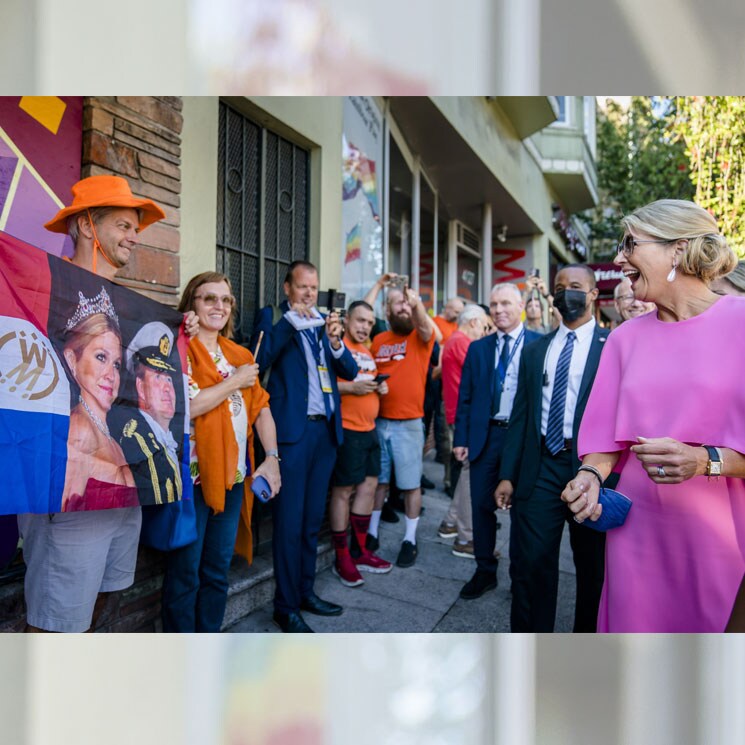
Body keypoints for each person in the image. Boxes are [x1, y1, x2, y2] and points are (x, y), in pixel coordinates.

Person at [562, 199, 745, 633]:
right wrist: (589, 476)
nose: (620, 258)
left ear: (678, 249)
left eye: (629, 244)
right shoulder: (624, 340)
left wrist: (704, 461)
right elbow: (605, 447)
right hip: (638, 536)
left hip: (721, 537)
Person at [17, 174, 190, 633]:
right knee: (57, 621)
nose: (135, 237)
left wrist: (179, 331)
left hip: (123, 488)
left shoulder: (130, 309)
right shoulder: (41, 291)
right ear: (89, 226)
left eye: (137, 227)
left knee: (107, 601)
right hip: (67, 491)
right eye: (124, 225)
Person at [162, 272, 280, 632]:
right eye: (208, 298)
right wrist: (234, 381)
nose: (219, 306)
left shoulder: (240, 354)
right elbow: (187, 407)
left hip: (234, 477)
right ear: (192, 303)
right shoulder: (181, 347)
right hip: (192, 479)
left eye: (226, 300)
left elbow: (261, 410)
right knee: (185, 572)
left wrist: (272, 458)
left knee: (217, 570)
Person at [495, 265, 609, 632]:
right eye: (560, 288)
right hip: (541, 466)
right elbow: (520, 417)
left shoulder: (613, 346)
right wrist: (507, 475)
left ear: (593, 294)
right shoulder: (535, 349)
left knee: (593, 569)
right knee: (532, 566)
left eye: (575, 287)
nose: (566, 294)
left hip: (591, 467)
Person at [252, 260, 358, 632]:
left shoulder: (323, 322)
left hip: (324, 434)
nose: (309, 294)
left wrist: (335, 341)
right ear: (287, 288)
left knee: (313, 520)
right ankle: (285, 605)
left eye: (313, 288)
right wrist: (287, 325)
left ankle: (306, 592)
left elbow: (350, 372)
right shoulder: (273, 318)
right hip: (292, 436)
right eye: (302, 287)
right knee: (289, 523)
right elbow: (257, 362)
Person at [454, 284, 542, 599]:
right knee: (480, 507)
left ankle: (521, 576)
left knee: (522, 509)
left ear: (520, 305)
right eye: (493, 304)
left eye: (506, 303)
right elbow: (465, 397)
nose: (499, 309)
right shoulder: (478, 348)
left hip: (522, 439)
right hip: (485, 436)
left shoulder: (539, 344)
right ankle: (484, 571)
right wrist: (460, 437)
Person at [368, 283, 435, 567]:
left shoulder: (420, 338)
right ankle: (371, 532)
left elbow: (427, 328)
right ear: (387, 309)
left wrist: (416, 302)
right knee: (378, 482)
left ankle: (410, 538)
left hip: (408, 423)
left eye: (408, 304)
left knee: (410, 485)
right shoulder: (378, 340)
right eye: (399, 303)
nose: (404, 307)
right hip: (379, 422)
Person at [329, 300, 392, 587]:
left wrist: (381, 386)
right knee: (343, 491)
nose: (365, 326)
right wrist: (351, 387)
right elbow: (323, 382)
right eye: (360, 320)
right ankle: (342, 558)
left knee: (368, 486)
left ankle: (361, 550)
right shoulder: (337, 346)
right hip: (347, 429)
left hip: (370, 430)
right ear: (347, 321)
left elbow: (366, 381)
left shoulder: (367, 351)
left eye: (369, 322)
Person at [60, 289, 137, 512]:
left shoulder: (109, 435)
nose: (110, 374)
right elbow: (64, 512)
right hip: (85, 539)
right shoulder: (79, 429)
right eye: (101, 357)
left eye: (116, 364)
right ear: (72, 359)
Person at [437, 303, 489, 558]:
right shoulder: (462, 341)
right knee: (470, 471)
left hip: (458, 412)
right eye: (483, 324)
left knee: (468, 470)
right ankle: (466, 536)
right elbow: (483, 376)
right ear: (473, 322)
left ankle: (450, 522)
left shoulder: (455, 340)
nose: (485, 329)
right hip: (463, 414)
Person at [119, 322, 183, 506]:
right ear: (140, 387)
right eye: (157, 377)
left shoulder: (166, 437)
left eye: (169, 378)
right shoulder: (135, 439)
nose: (167, 388)